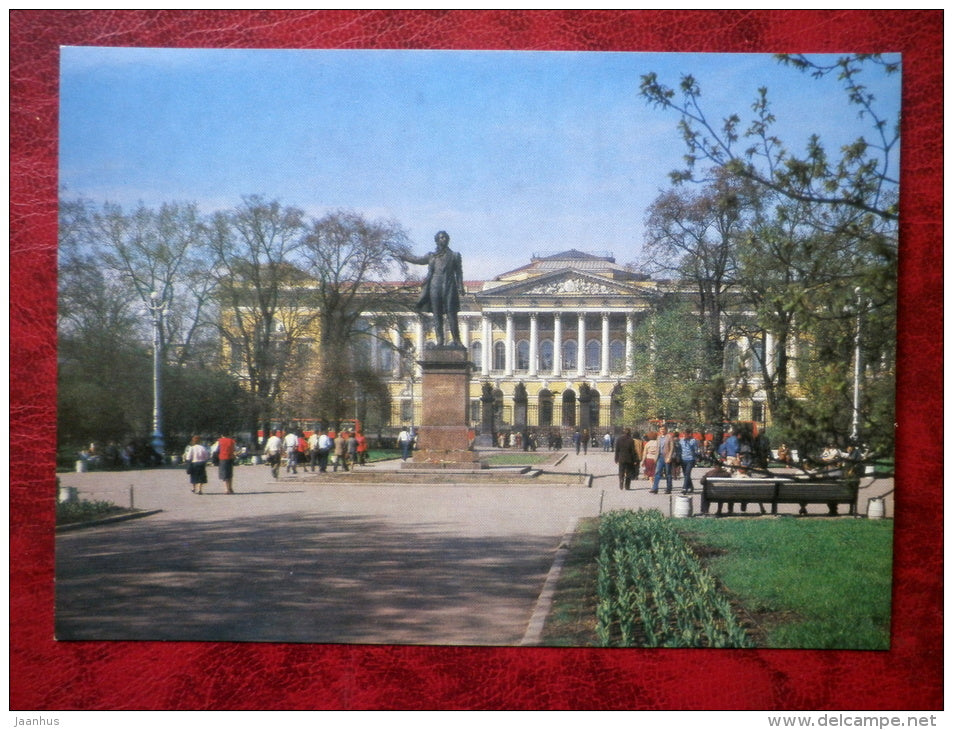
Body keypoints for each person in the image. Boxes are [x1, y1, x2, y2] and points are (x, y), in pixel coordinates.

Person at [399, 230, 465, 347]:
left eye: (445, 237)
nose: (443, 239)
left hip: (449, 286)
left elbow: (459, 272)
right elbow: (417, 260)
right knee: (437, 314)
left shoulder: (455, 255)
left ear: (448, 239)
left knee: (451, 313)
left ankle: (456, 340)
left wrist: (460, 286)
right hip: (435, 286)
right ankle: (440, 340)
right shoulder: (431, 256)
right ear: (437, 240)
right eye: (441, 237)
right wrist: (404, 257)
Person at [651, 425, 676, 494]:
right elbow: (657, 448)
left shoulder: (669, 437)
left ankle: (669, 488)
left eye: (663, 429)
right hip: (660, 457)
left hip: (667, 457)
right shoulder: (658, 437)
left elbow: (672, 448)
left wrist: (669, 457)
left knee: (668, 473)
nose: (662, 431)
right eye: (661, 429)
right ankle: (655, 488)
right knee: (657, 472)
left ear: (666, 430)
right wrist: (655, 458)